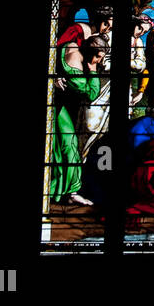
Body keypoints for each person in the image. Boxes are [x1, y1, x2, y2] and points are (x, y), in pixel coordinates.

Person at [50, 34, 109, 206]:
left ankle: (65, 190)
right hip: (54, 108)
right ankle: (70, 191)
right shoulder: (77, 69)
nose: (99, 61)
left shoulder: (70, 46)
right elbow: (91, 93)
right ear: (92, 52)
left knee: (62, 147)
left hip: (57, 106)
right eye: (98, 57)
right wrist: (91, 69)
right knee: (69, 145)